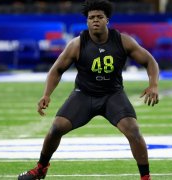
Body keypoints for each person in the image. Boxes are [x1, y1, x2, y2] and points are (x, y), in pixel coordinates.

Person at [18, 0, 159, 179]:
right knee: (56, 128)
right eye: (91, 17)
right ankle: (41, 168)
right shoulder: (77, 44)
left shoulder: (122, 40)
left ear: (107, 19)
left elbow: (150, 61)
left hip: (112, 95)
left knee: (133, 130)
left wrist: (153, 84)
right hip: (84, 95)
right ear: (87, 21)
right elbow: (56, 70)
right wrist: (46, 94)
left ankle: (145, 177)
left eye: (100, 17)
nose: (95, 20)